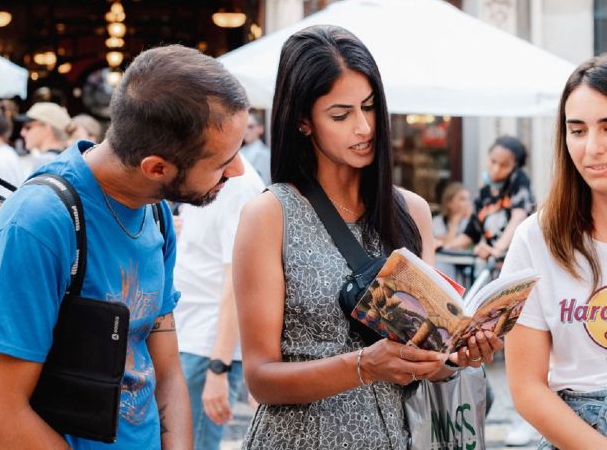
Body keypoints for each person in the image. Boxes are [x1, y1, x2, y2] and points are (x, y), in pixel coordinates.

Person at [0, 45, 250, 449]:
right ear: (155, 168)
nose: (237, 170)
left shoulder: (155, 213)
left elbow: (165, 371)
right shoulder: (37, 224)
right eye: (223, 161)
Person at [233, 25, 501, 450]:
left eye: (370, 107)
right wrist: (363, 365)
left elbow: (427, 359)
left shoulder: (410, 211)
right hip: (299, 440)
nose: (363, 127)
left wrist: (456, 359)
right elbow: (260, 379)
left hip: (397, 437)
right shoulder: (269, 215)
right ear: (303, 121)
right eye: (340, 115)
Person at [502, 54, 607, 449]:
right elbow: (527, 386)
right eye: (577, 130)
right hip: (575, 429)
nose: (592, 148)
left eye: (606, 127)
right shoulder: (536, 238)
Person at [174, 154, 264, 450]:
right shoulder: (204, 172)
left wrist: (218, 367)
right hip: (186, 334)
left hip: (206, 344)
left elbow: (238, 281)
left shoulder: (239, 184)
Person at [443, 135, 536, 260]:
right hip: (494, 268)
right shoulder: (483, 194)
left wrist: (497, 249)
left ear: (515, 167)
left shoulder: (518, 181)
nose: (496, 169)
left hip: (520, 262)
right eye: (493, 161)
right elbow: (470, 235)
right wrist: (444, 247)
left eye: (504, 165)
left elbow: (518, 217)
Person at [432, 181, 473, 279]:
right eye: (462, 199)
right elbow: (447, 247)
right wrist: (454, 223)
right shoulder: (438, 221)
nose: (467, 203)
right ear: (449, 202)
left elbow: (466, 246)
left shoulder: (470, 223)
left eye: (468, 199)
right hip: (445, 268)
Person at [16, 102, 72, 170]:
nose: (22, 132)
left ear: (46, 128)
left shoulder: (45, 162)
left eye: (28, 127)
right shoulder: (68, 159)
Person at [239, 110, 271, 185]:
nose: (245, 131)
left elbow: (263, 183)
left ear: (260, 129)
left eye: (250, 127)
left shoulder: (264, 154)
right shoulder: (241, 150)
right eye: (244, 127)